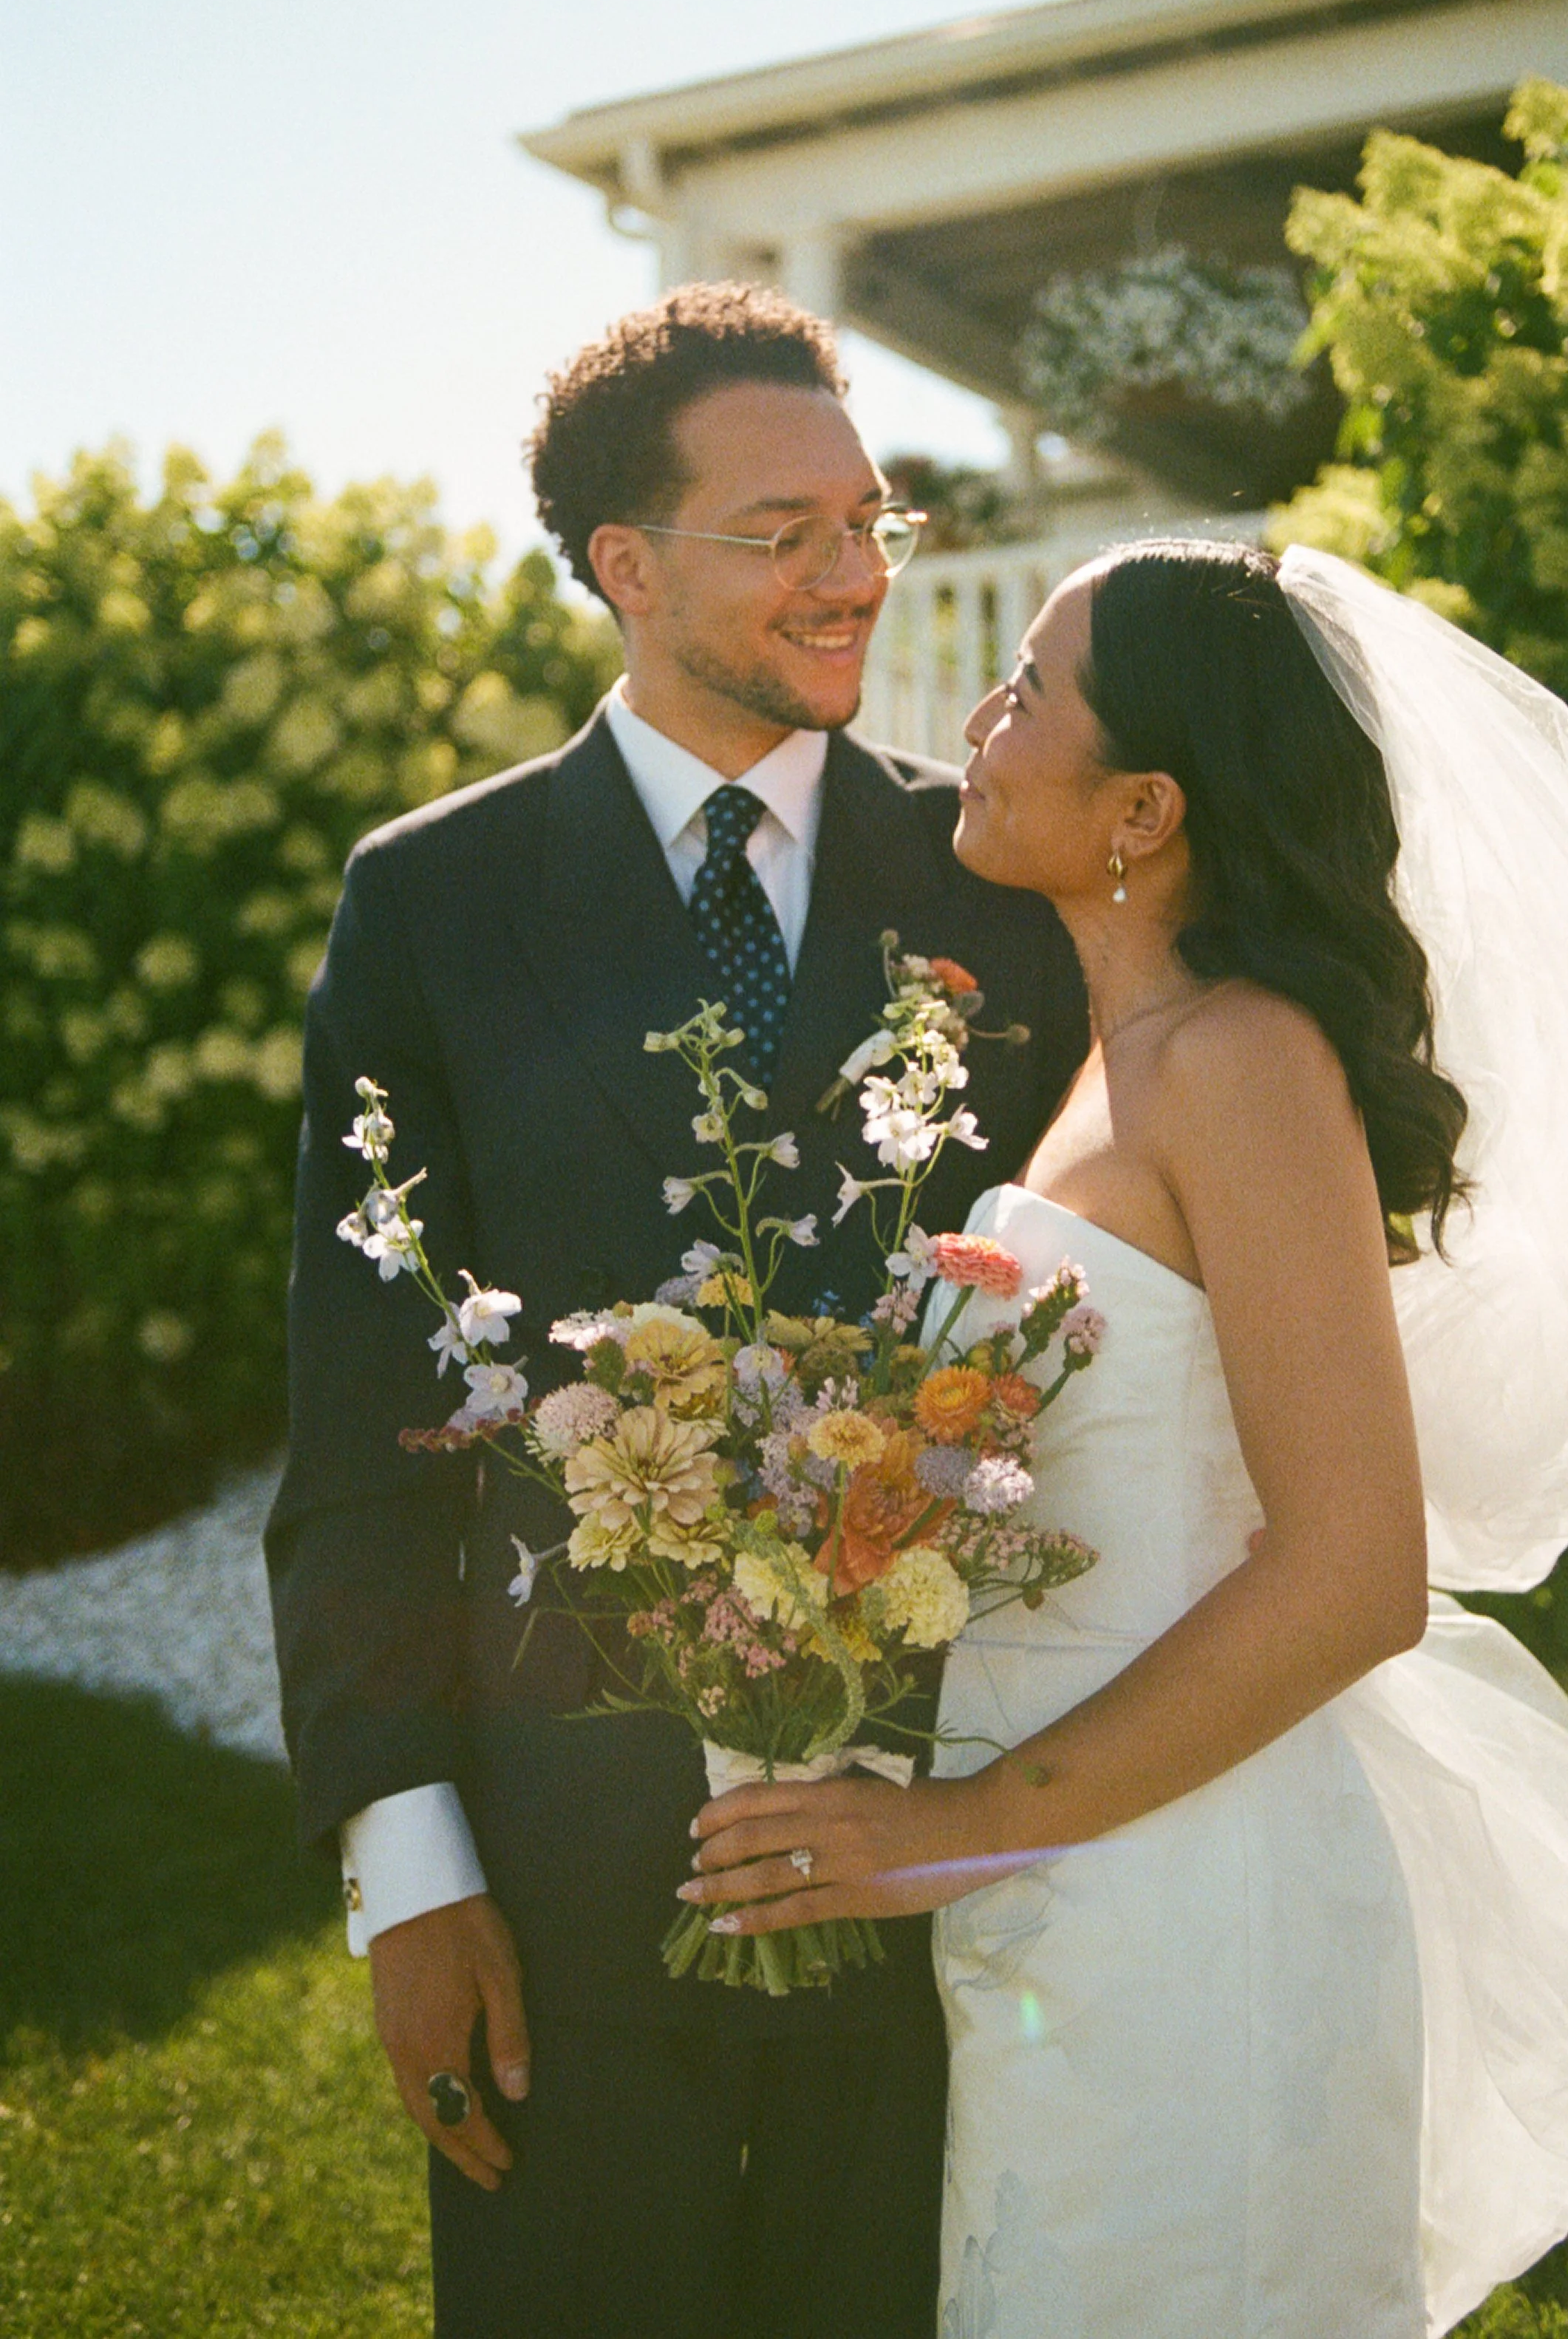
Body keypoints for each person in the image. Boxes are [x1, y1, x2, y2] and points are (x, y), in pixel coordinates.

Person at [689, 539, 1568, 2339]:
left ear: (1142, 805)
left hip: (1190, 1899)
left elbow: (1351, 1574)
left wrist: (964, 1822)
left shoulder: (1239, 1062)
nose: (978, 722)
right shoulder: (1113, 1063)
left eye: (1030, 691)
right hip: (1075, 1890)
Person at [265, 284, 1089, 2339]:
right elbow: (362, 1399)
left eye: (870, 519)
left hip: (943, 1838)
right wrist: (410, 1860)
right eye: (784, 530)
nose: (855, 575)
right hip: (561, 1858)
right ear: (625, 566)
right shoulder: (427, 903)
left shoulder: (1002, 879)